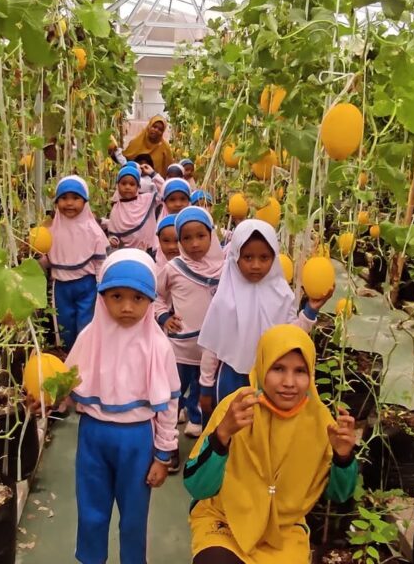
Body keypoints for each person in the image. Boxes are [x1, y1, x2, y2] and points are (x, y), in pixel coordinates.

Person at [184, 324, 358, 564]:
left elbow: (338, 494)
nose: (289, 382)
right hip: (225, 521)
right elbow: (198, 487)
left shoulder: (321, 422)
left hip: (284, 529)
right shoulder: (236, 409)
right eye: (278, 368)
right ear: (262, 366)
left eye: (300, 371)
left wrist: (343, 457)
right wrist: (222, 435)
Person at [69, 249, 180, 564]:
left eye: (138, 298)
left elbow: (169, 403)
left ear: (151, 301)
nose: (127, 307)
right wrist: (47, 396)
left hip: (137, 440)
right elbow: (68, 382)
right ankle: (91, 558)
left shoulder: (158, 346)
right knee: (91, 510)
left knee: (134, 515)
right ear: (102, 297)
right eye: (116, 296)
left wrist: (163, 454)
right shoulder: (89, 337)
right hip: (93, 436)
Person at [198, 220, 334, 414]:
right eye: (248, 257)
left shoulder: (282, 295)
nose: (256, 265)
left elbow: (290, 337)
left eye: (264, 258)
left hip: (271, 379)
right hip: (232, 379)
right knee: (230, 425)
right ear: (235, 257)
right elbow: (212, 347)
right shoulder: (225, 299)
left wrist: (310, 311)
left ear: (274, 258)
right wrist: (206, 387)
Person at [155, 207, 224, 468]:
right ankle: (168, 446)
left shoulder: (226, 269)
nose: (194, 244)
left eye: (201, 236)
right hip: (180, 349)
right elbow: (156, 296)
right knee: (172, 397)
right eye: (186, 238)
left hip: (214, 351)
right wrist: (164, 317)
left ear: (211, 235)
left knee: (209, 399)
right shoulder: (173, 268)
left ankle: (206, 449)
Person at [40, 175, 107, 352]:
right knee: (64, 325)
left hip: (87, 285)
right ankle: (68, 356)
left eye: (75, 198)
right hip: (60, 286)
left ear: (85, 201)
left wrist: (101, 286)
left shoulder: (93, 231)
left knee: (86, 324)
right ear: (56, 202)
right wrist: (38, 259)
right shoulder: (51, 231)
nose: (69, 203)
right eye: (63, 198)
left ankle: (84, 357)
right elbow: (49, 259)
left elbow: (100, 262)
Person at [108, 165, 159, 255]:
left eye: (132, 184)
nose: (127, 187)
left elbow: (166, 192)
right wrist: (113, 239)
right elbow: (114, 233)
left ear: (138, 186)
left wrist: (153, 174)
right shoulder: (116, 208)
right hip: (129, 254)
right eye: (123, 183)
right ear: (117, 186)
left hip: (151, 251)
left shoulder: (147, 200)